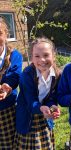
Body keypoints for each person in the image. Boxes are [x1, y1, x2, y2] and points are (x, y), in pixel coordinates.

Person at [14, 37, 60, 149]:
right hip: (28, 119)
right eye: (37, 56)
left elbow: (52, 97)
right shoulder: (27, 75)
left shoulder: (57, 75)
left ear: (53, 55)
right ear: (32, 58)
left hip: (45, 120)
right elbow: (30, 101)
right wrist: (42, 108)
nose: (42, 60)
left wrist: (52, 106)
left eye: (46, 55)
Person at [0, 16, 22, 149]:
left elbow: (14, 76)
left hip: (8, 109)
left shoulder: (15, 55)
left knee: (9, 145)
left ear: (6, 34)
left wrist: (6, 88)